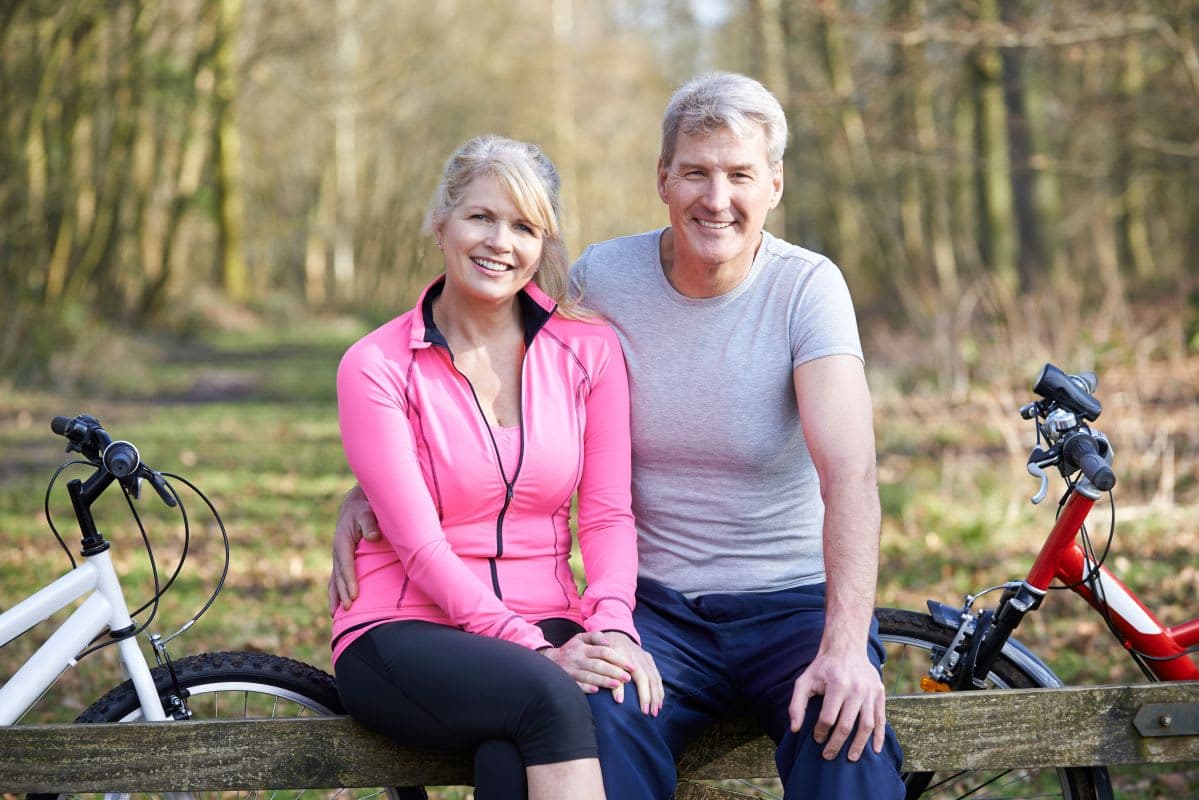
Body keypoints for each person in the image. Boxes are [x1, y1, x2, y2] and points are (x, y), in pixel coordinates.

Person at [332, 74, 904, 798]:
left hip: (789, 604)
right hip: (654, 606)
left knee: (844, 733)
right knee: (597, 713)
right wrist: (372, 487)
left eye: (739, 176)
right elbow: (462, 366)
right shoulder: (604, 281)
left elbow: (848, 474)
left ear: (775, 186)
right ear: (662, 178)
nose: (716, 198)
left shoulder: (807, 289)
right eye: (695, 171)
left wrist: (846, 647)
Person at [330, 134, 662, 800]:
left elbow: (605, 513)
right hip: (403, 627)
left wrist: (613, 625)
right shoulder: (377, 365)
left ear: (545, 242)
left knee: (571, 718)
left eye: (523, 226)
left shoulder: (589, 350)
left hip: (548, 611)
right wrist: (533, 652)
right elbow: (419, 546)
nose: (499, 242)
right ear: (440, 222)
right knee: (542, 697)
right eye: (481, 216)